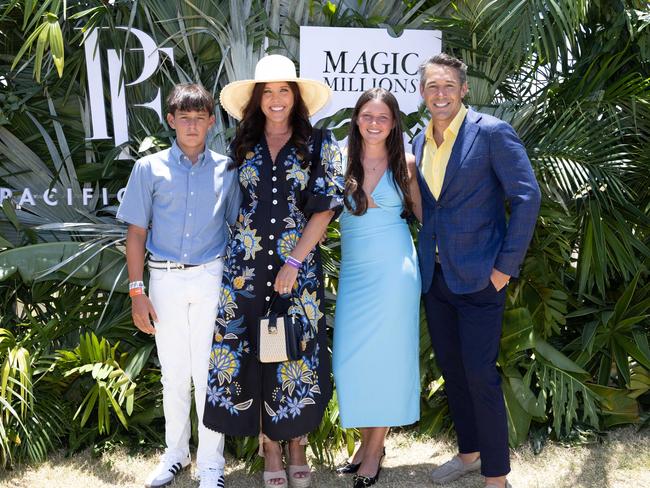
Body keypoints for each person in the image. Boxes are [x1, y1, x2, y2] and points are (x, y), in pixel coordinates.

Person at [202, 54, 344, 488]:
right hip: (244, 272)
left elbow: (325, 208)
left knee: (293, 353)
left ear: (296, 97)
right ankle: (268, 447)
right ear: (257, 99)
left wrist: (295, 261)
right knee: (253, 355)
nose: (277, 99)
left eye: (284, 90)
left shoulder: (321, 142)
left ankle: (296, 443)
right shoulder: (242, 145)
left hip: (295, 271)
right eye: (269, 91)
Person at [412, 54, 541, 488]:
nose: (441, 93)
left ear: (464, 89)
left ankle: (496, 475)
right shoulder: (419, 140)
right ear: (422, 92)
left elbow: (527, 197)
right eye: (433, 86)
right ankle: (468, 454)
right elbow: (431, 208)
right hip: (436, 278)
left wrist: (504, 268)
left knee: (481, 374)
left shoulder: (490, 133)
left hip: (482, 278)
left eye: (448, 85)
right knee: (453, 368)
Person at [117, 83, 241, 488]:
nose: (192, 125)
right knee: (173, 372)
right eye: (183, 118)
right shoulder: (148, 168)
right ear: (171, 121)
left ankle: (211, 466)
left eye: (199, 118)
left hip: (211, 276)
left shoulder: (227, 169)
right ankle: (174, 455)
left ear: (211, 122)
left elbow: (240, 228)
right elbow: (136, 233)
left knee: (209, 374)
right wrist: (138, 291)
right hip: (164, 280)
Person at [332, 88, 422, 488]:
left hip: (394, 271)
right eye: (367, 115)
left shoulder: (406, 162)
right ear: (356, 119)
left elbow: (422, 214)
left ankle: (372, 452)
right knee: (351, 360)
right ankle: (369, 442)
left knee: (386, 358)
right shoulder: (339, 160)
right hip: (354, 274)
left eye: (382, 117)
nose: (374, 123)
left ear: (393, 123)